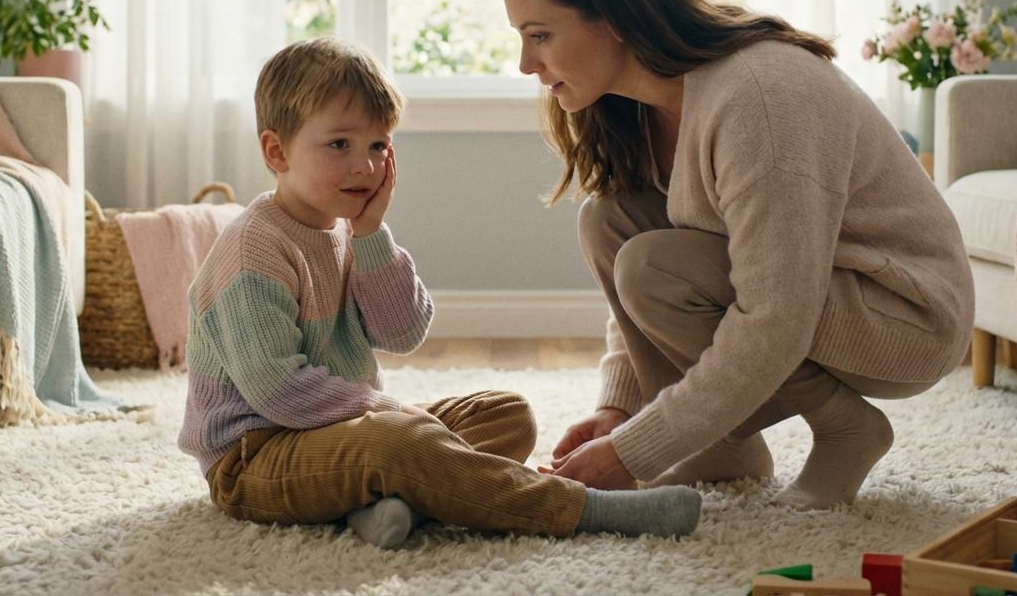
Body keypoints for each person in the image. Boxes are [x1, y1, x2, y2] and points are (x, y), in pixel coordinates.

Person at [501, 0, 974, 509]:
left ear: (614, 16)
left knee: (653, 265)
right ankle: (727, 443)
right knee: (608, 220)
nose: (526, 64)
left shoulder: (759, 98)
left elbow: (775, 315)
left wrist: (633, 451)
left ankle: (847, 427)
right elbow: (650, 295)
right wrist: (618, 406)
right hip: (819, 296)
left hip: (905, 319)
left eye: (540, 36)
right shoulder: (642, 106)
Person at [177, 36, 701, 548]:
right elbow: (279, 392)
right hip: (258, 456)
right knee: (405, 442)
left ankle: (384, 505)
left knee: (506, 413)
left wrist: (370, 233)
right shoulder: (253, 250)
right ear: (277, 151)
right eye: (340, 144)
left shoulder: (345, 227)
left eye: (378, 145)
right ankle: (581, 507)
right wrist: (385, 411)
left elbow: (402, 332)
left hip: (345, 428)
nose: (365, 165)